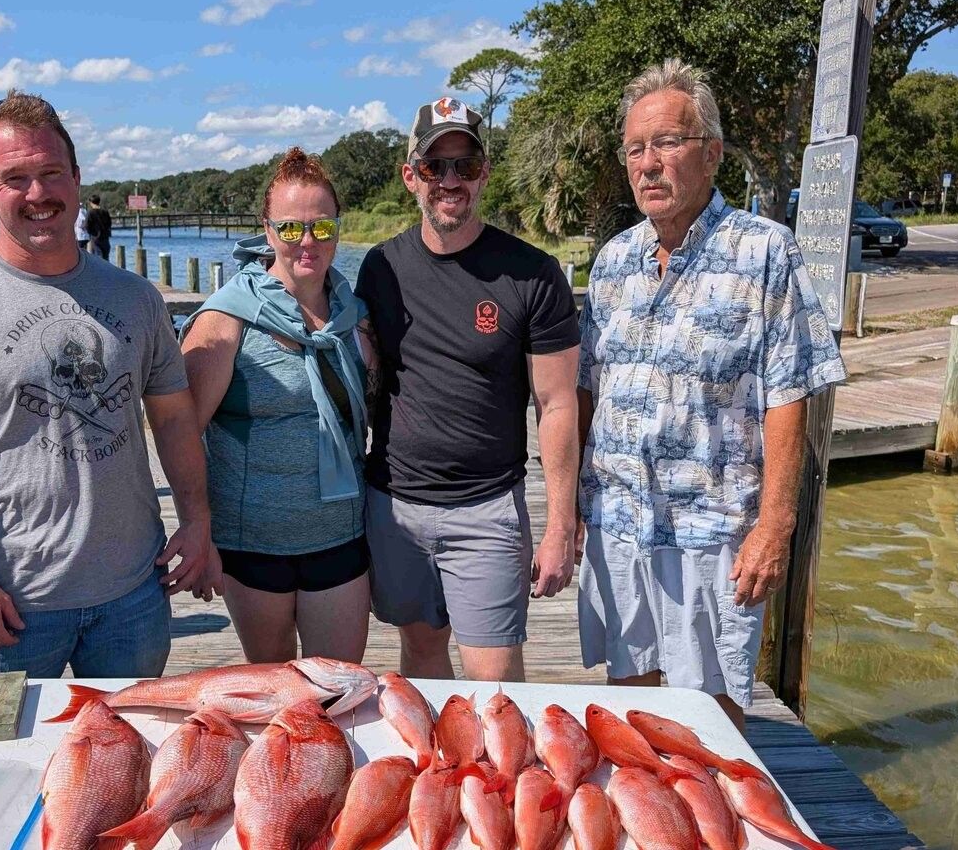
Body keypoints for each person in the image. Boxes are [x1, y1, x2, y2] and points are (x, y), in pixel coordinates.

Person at [0, 89, 220, 709]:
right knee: (1, 762)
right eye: (15, 179)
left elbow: (173, 420)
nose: (38, 194)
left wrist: (198, 522)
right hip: (8, 609)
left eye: (50, 173)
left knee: (131, 762)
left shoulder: (135, 298)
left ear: (76, 178)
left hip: (133, 599)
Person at [575, 60, 846, 731]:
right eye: (636, 149)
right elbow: (587, 390)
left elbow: (791, 394)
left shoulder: (766, 252)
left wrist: (774, 527)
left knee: (714, 717)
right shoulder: (613, 262)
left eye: (667, 143)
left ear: (713, 153)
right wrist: (577, 505)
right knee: (629, 702)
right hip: (619, 520)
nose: (648, 164)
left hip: (713, 530)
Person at [354, 98, 581, 682]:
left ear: (485, 173)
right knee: (423, 661)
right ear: (411, 177)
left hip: (487, 510)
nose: (450, 181)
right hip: (395, 506)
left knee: (497, 686)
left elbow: (557, 404)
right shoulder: (379, 267)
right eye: (435, 167)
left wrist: (560, 525)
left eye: (466, 165)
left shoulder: (533, 273)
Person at [180, 148, 374, 664]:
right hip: (254, 545)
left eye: (321, 227)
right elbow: (180, 433)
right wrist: (196, 528)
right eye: (290, 229)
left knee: (339, 691)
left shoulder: (354, 317)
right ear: (267, 233)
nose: (306, 242)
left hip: (341, 536)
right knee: (277, 700)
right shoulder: (226, 319)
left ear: (338, 228)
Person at [86, 194, 113, 260]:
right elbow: (109, 223)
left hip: (95, 238)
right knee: (106, 257)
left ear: (91, 202)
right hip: (105, 237)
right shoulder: (105, 212)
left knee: (98, 258)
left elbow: (87, 226)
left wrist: (93, 233)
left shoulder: (90, 213)